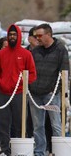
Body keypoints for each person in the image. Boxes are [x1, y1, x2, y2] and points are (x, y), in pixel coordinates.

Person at [0, 24, 37, 156]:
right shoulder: (1, 54)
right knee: (2, 124)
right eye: (10, 34)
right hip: (3, 93)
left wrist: (22, 83)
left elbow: (32, 74)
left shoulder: (26, 54)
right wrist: (1, 83)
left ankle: (19, 150)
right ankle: (5, 150)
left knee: (20, 124)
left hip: (19, 94)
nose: (12, 37)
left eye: (14, 34)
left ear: (19, 36)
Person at [29, 23, 69, 156]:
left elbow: (65, 73)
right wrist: (30, 86)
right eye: (35, 36)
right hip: (35, 94)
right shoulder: (35, 51)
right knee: (37, 126)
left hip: (52, 94)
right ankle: (39, 152)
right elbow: (28, 70)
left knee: (56, 124)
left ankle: (59, 152)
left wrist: (56, 91)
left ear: (48, 35)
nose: (37, 38)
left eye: (39, 35)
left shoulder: (60, 49)